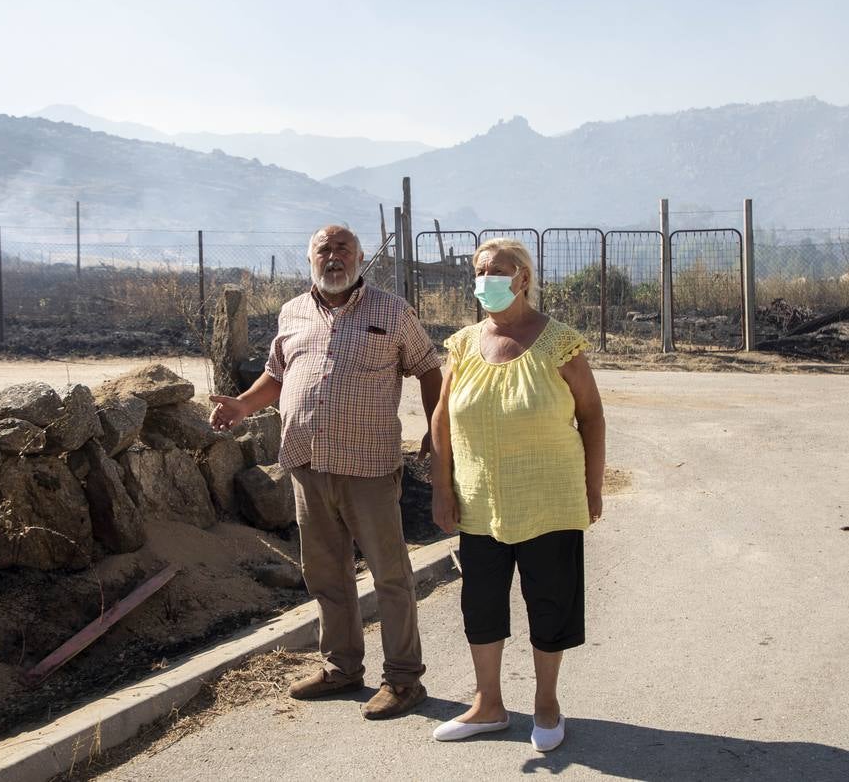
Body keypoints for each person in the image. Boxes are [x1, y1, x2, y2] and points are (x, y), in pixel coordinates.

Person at [209, 224, 442, 719]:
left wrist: (435, 431)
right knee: (325, 574)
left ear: (360, 258)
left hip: (369, 468)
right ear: (309, 258)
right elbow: (276, 374)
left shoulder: (393, 311)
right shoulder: (292, 312)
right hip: (307, 464)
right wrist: (242, 406)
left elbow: (428, 368)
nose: (333, 257)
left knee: (390, 575)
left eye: (343, 249)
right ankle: (341, 669)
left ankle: (403, 679)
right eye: (324, 250)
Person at [429, 237, 604, 752]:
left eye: (497, 272)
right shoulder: (462, 344)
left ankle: (546, 704)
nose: (485, 281)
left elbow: (591, 416)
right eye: (480, 272)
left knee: (549, 601)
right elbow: (442, 418)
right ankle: (489, 705)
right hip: (479, 500)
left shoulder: (558, 343)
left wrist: (592, 487)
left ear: (523, 278)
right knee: (480, 603)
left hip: (550, 499)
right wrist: (442, 488)